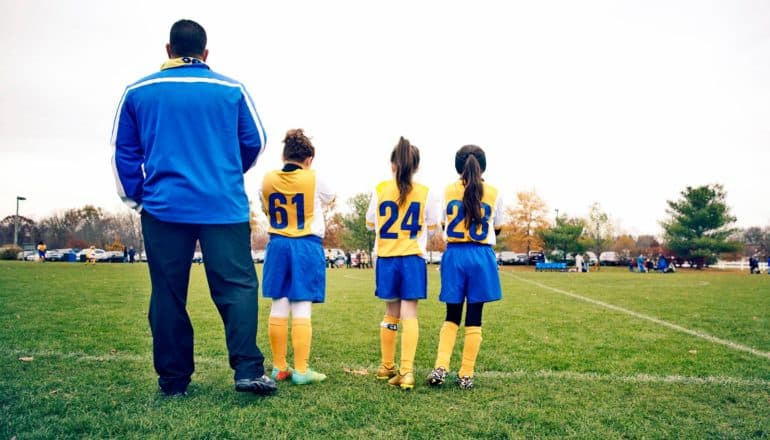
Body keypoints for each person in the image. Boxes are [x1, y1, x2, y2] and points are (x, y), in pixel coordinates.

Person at [111, 19, 274, 397]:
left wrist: (137, 199)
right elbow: (256, 142)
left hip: (164, 207)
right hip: (223, 205)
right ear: (206, 53)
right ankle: (248, 370)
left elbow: (124, 153)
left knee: (167, 292)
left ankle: (173, 380)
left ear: (168, 50)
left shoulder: (138, 91)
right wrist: (226, 172)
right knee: (237, 288)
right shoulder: (231, 89)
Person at [259, 129, 335, 386]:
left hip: (278, 243)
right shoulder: (313, 177)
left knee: (278, 303)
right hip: (305, 244)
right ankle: (301, 369)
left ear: (284, 155)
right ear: (309, 159)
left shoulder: (267, 179)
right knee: (302, 304)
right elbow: (331, 197)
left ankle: (279, 367)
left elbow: (264, 205)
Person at [427, 144, 504, 390]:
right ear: (484, 166)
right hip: (481, 255)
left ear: (458, 166)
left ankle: (440, 367)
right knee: (474, 319)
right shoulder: (493, 191)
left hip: (455, 255)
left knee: (451, 316)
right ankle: (466, 374)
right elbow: (498, 226)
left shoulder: (448, 190)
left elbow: (442, 224)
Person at [366, 136, 440, 390]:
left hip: (386, 257)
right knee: (410, 314)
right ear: (416, 167)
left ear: (392, 164)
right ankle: (406, 371)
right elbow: (432, 229)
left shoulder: (380, 189)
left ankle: (386, 366)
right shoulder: (426, 193)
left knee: (391, 312)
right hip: (411, 258)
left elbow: (370, 223)